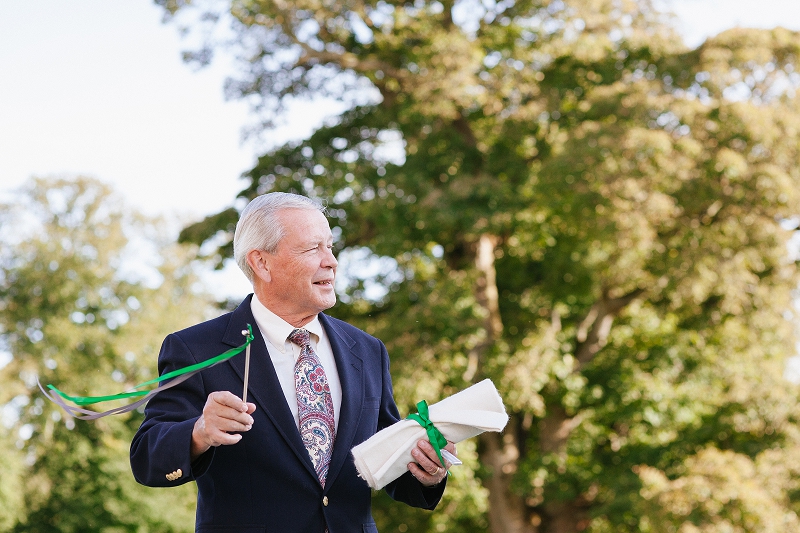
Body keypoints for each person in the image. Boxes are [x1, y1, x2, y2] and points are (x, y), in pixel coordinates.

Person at [130, 192, 456, 532]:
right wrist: (199, 432)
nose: (331, 261)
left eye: (330, 246)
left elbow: (390, 464)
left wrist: (429, 470)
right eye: (313, 248)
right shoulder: (196, 349)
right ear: (261, 263)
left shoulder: (367, 350)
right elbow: (147, 459)